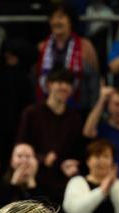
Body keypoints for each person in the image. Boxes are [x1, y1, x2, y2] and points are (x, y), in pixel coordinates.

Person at [15, 69, 83, 203]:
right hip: (35, 181)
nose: (64, 87)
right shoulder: (31, 113)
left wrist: (72, 163)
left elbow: (77, 151)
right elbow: (20, 146)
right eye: (60, 82)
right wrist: (42, 158)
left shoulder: (75, 119)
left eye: (68, 84)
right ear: (49, 85)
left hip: (63, 185)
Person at [35, 3, 99, 109]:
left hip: (79, 108)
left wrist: (94, 110)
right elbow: (36, 79)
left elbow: (94, 82)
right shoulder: (42, 47)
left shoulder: (85, 46)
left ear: (71, 21)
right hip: (47, 108)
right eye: (53, 18)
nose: (56, 21)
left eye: (60, 17)